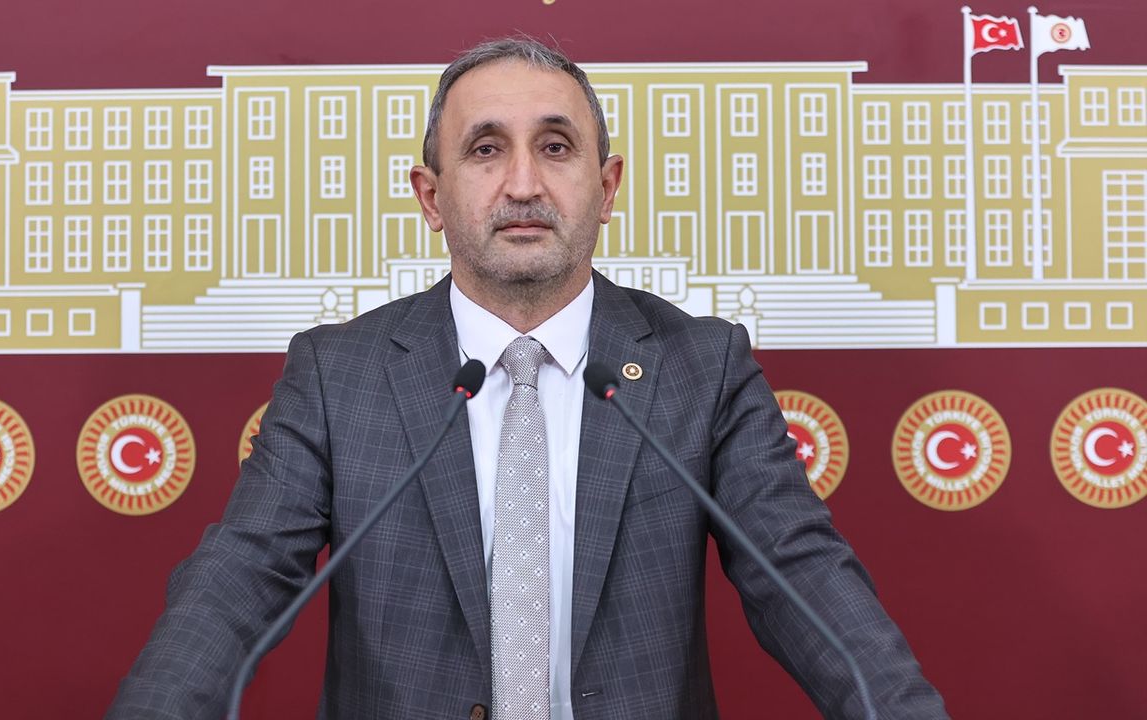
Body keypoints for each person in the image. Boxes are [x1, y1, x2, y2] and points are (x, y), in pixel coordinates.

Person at [109, 37, 947, 720]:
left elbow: (803, 579)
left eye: (555, 147)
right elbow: (239, 579)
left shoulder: (702, 367)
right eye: (485, 150)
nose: (522, 184)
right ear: (430, 197)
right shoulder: (340, 375)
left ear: (606, 187)